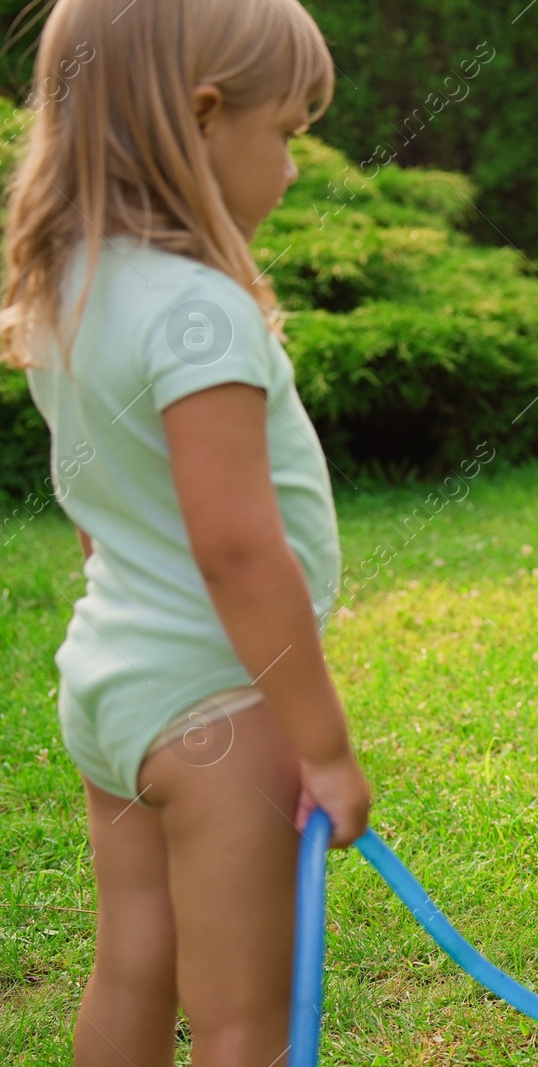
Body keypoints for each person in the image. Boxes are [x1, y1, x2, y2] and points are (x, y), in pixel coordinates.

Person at [1, 2, 370, 1063]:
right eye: (288, 133)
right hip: (217, 701)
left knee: (130, 963)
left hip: (110, 678)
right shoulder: (197, 314)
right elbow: (237, 548)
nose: (294, 169)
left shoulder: (71, 291)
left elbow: (100, 508)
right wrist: (323, 744)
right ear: (204, 119)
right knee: (242, 1015)